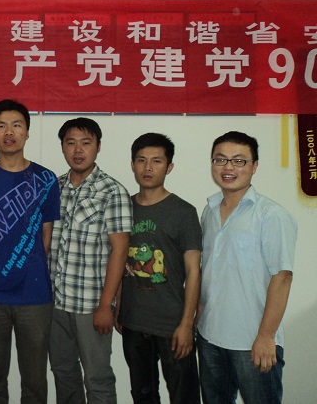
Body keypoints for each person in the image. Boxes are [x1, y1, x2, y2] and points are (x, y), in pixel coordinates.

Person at [0, 99, 60, 403]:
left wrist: (22, 265)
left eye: (16, 125)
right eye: (1, 125)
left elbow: (45, 237)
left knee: (35, 377)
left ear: (27, 132)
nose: (9, 132)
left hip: (35, 294)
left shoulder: (46, 179)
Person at [197, 131, 297, 404]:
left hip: (251, 340)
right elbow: (210, 268)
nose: (228, 167)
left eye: (239, 161)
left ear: (254, 166)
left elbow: (282, 277)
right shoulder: (209, 210)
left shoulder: (271, 215)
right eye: (220, 160)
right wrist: (199, 312)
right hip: (209, 336)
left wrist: (266, 336)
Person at [48, 117, 131, 404]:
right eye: (70, 143)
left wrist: (106, 305)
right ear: (62, 147)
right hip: (55, 303)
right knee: (63, 373)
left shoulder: (112, 191)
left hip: (91, 305)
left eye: (86, 143)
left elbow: (120, 250)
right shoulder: (54, 188)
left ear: (98, 147)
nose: (78, 150)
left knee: (97, 378)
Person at [116, 133, 201, 404]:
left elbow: (194, 272)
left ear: (169, 167)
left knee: (184, 396)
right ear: (132, 165)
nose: (148, 167)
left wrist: (187, 324)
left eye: (156, 161)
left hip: (172, 325)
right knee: (142, 396)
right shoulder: (124, 208)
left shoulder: (183, 212)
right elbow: (119, 261)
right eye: (141, 160)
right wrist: (118, 308)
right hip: (133, 322)